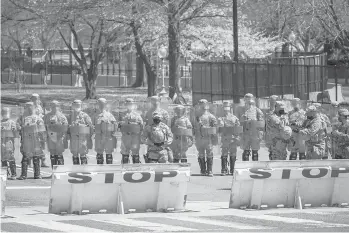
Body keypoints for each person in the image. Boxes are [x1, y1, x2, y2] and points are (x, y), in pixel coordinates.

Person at [17, 102, 46, 180]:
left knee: (36, 158)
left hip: (36, 140)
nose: (29, 109)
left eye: (31, 107)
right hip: (26, 140)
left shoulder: (38, 118)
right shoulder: (22, 118)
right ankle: (23, 175)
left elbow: (42, 129)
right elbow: (17, 127)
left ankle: (37, 174)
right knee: (25, 157)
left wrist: (42, 140)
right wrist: (21, 129)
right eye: (27, 107)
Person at [194, 99, 218, 177]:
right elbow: (193, 126)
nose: (203, 105)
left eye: (204, 104)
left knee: (209, 153)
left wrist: (211, 129)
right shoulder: (196, 116)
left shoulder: (210, 116)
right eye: (201, 103)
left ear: (207, 105)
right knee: (201, 154)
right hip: (199, 138)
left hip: (208, 138)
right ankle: (203, 170)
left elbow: (215, 125)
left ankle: (209, 170)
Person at [218, 101, 241, 176]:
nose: (226, 110)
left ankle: (232, 170)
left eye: (227, 108)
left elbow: (238, 128)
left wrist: (237, 136)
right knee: (224, 154)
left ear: (230, 108)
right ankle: (224, 170)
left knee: (233, 154)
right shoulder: (221, 118)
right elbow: (220, 127)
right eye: (225, 108)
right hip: (225, 138)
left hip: (232, 139)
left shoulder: (234, 118)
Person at [68, 100, 93, 165]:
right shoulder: (70, 116)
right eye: (75, 105)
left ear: (81, 106)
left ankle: (84, 170)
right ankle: (76, 170)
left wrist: (89, 138)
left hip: (82, 139)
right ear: (73, 106)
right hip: (73, 139)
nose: (77, 107)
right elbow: (66, 128)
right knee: (75, 155)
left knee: (83, 155)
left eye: (78, 105)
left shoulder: (85, 116)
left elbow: (90, 127)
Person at [44, 100, 68, 168]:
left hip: (59, 137)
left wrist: (58, 126)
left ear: (58, 106)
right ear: (50, 106)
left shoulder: (62, 116)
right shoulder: (47, 116)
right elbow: (43, 126)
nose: (54, 107)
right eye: (52, 106)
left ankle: (60, 171)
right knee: (52, 155)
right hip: (50, 137)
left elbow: (65, 126)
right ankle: (54, 172)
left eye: (56, 106)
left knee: (59, 154)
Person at [240, 94, 264, 161]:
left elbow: (261, 123)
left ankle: (254, 166)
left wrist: (260, 134)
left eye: (250, 98)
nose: (248, 100)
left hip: (255, 134)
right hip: (245, 134)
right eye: (247, 98)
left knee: (255, 152)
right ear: (244, 100)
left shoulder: (257, 110)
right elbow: (237, 122)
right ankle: (245, 166)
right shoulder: (241, 110)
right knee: (246, 152)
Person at [119, 98, 143, 164]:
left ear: (133, 104)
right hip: (125, 137)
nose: (129, 105)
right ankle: (125, 170)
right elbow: (119, 125)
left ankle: (136, 169)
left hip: (134, 137)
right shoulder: (121, 114)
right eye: (127, 104)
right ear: (125, 104)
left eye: (130, 104)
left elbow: (141, 125)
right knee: (125, 155)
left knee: (135, 154)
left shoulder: (137, 115)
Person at [94, 98, 118, 164]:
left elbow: (115, 126)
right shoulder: (96, 115)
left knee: (109, 154)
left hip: (108, 137)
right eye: (99, 104)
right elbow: (91, 127)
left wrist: (108, 131)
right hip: (99, 137)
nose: (100, 106)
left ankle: (109, 170)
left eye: (102, 104)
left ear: (105, 105)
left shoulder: (109, 115)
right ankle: (100, 170)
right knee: (99, 155)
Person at [29, 93, 49, 168]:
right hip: (32, 128)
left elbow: (43, 116)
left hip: (40, 128)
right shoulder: (29, 107)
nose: (35, 100)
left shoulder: (40, 107)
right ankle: (29, 161)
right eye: (33, 99)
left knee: (41, 144)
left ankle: (43, 161)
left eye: (36, 99)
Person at [1, 107, 20, 180]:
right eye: (3, 113)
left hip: (9, 142)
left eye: (6, 112)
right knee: (3, 158)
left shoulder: (12, 122)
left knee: (11, 157)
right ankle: (4, 173)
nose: (4, 114)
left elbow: (15, 133)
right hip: (2, 142)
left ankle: (13, 173)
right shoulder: (1, 122)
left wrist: (15, 129)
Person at [265, 95, 279, 160]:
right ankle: (272, 163)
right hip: (269, 133)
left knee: (278, 149)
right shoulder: (268, 111)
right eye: (271, 101)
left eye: (273, 100)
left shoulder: (279, 110)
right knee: (271, 150)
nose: (272, 102)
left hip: (277, 133)